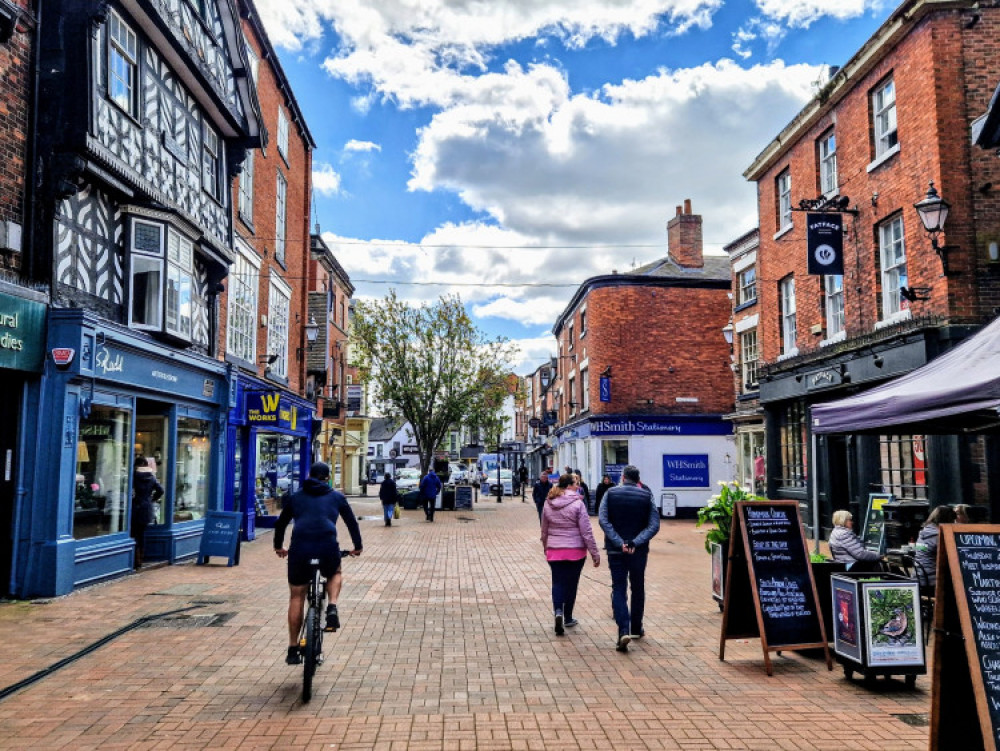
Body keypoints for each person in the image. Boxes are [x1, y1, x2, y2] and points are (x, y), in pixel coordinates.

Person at [274, 461, 363, 665]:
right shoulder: (337, 496)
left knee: (297, 595)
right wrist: (357, 547)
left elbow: (281, 523)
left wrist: (279, 546)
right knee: (335, 572)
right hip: (326, 545)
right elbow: (351, 522)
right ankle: (332, 606)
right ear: (327, 477)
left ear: (309, 475)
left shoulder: (296, 497)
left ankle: (292, 648)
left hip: (300, 548)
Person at [599, 464, 660, 652]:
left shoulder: (610, 494)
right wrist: (635, 542)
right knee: (638, 587)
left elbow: (603, 520)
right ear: (637, 478)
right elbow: (654, 525)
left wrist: (619, 542)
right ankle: (635, 628)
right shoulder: (646, 495)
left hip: (616, 550)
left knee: (618, 587)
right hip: (638, 551)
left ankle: (622, 630)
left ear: (623, 477)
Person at [541, 474, 600, 635]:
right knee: (572, 584)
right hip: (575, 551)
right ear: (568, 485)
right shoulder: (578, 504)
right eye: (576, 483)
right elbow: (586, 531)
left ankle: (558, 611)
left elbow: (544, 528)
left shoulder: (549, 502)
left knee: (558, 582)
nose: (578, 486)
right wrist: (595, 553)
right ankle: (567, 617)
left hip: (554, 550)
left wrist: (546, 546)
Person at [913, 505, 957, 590]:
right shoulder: (938, 536)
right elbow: (951, 557)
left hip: (918, 576)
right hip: (931, 581)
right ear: (947, 521)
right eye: (952, 521)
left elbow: (923, 550)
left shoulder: (924, 532)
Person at [131, 456, 163, 569]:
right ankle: (141, 559)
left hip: (135, 506)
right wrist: (152, 499)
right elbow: (161, 490)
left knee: (133, 533)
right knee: (142, 534)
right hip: (147, 507)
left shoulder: (134, 475)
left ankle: (134, 559)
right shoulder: (152, 477)